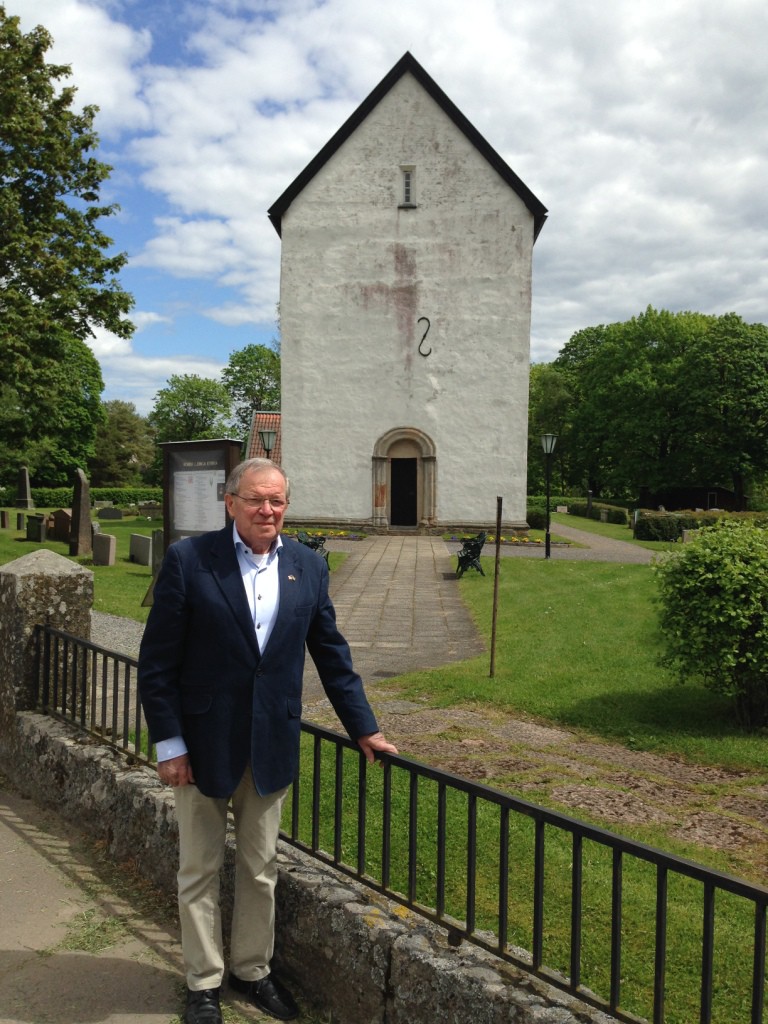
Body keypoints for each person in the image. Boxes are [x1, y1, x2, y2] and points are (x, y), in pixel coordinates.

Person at [138, 458, 397, 1024]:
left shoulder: (306, 564)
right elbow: (156, 666)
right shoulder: (189, 560)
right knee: (199, 870)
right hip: (202, 747)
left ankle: (252, 971)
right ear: (230, 503)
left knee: (260, 869)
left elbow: (331, 653)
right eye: (256, 500)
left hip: (270, 744)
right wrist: (169, 745)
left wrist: (365, 726)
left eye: (277, 501)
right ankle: (203, 984)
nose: (268, 511)